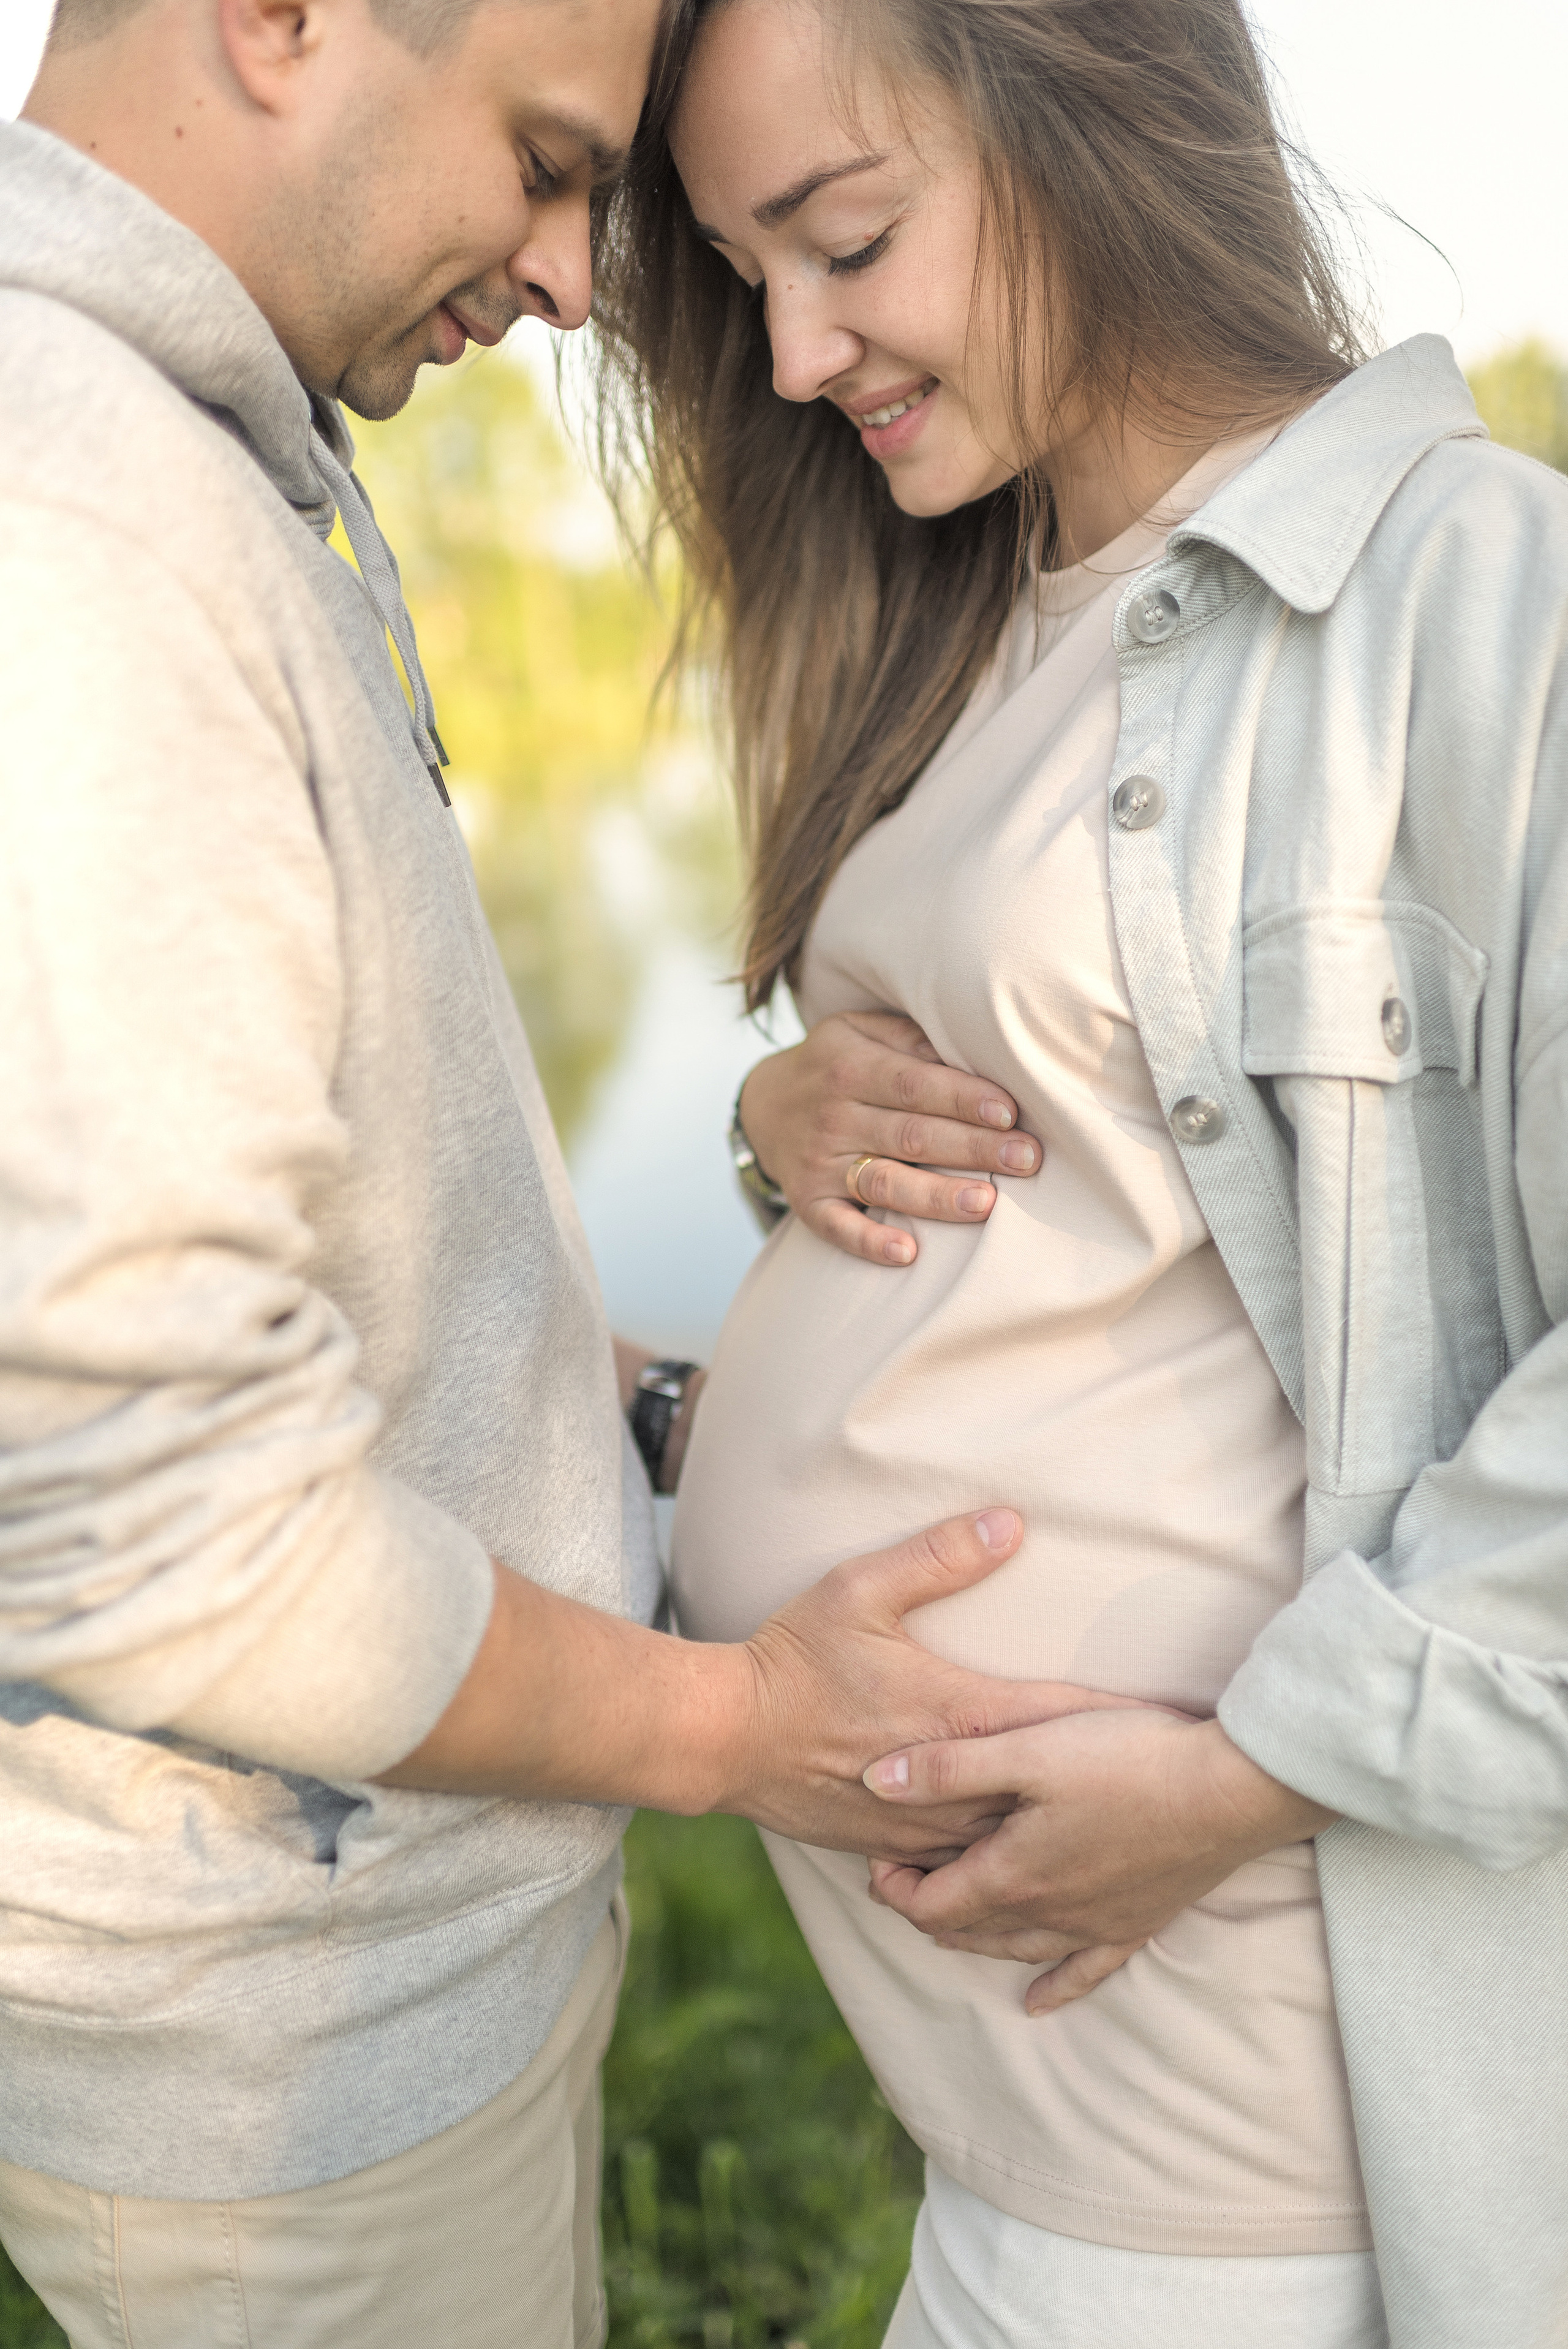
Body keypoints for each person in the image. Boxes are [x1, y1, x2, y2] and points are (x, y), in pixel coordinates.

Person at [0, 2, 1119, 2342]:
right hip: (289, 2073)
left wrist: (633, 1394)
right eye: (540, 161)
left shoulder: (203, 454)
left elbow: (317, 1236)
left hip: (393, 1964)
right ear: (286, 18)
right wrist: (732, 1730)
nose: (574, 279)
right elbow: (153, 1526)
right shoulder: (74, 521)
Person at [589, 2, 1568, 2345]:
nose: (800, 346)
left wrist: (1249, 1770)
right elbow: (1088, 1191)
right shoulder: (969, 610)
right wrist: (774, 1118)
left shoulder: (1486, 604)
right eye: (742, 276)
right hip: (1022, 2137)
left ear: (1090, 114)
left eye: (845, 239)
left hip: (1248, 2161)